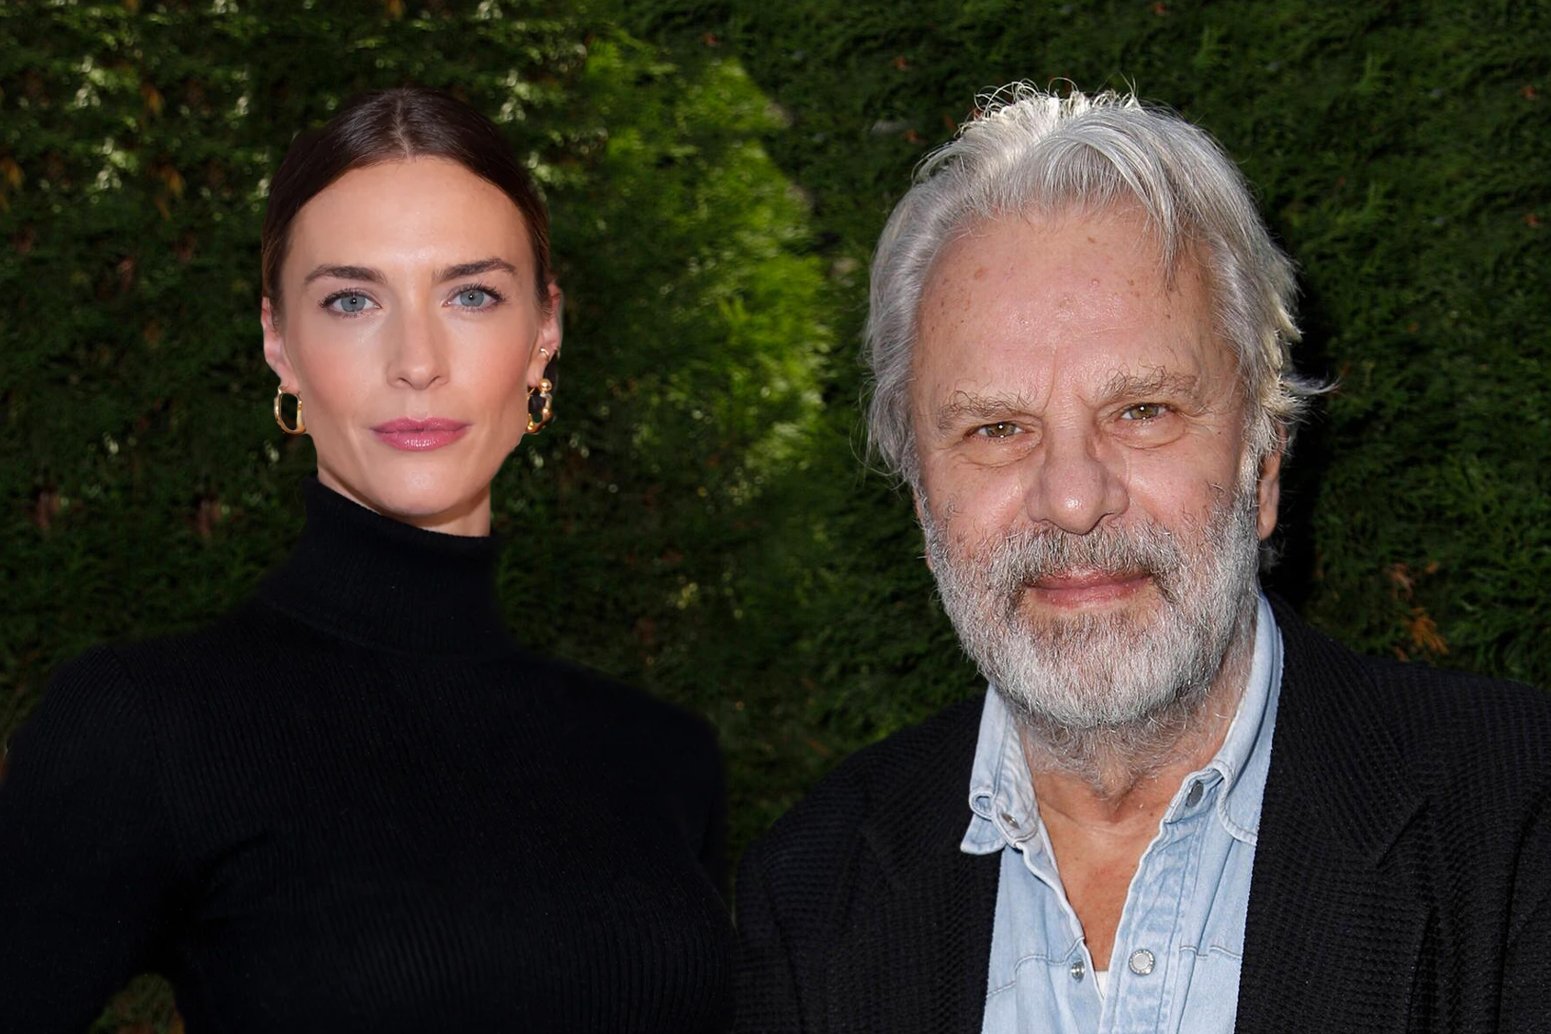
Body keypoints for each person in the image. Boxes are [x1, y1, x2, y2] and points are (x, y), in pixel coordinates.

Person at [734, 85, 1551, 1033]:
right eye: (996, 428)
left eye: (1142, 411)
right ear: (923, 500)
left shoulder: (1519, 824)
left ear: (1261, 461)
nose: (1073, 498)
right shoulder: (808, 895)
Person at [0, 87, 733, 1032]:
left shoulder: (662, 757)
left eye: (471, 295)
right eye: (351, 300)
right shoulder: (146, 725)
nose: (416, 360)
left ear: (543, 335)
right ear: (279, 343)